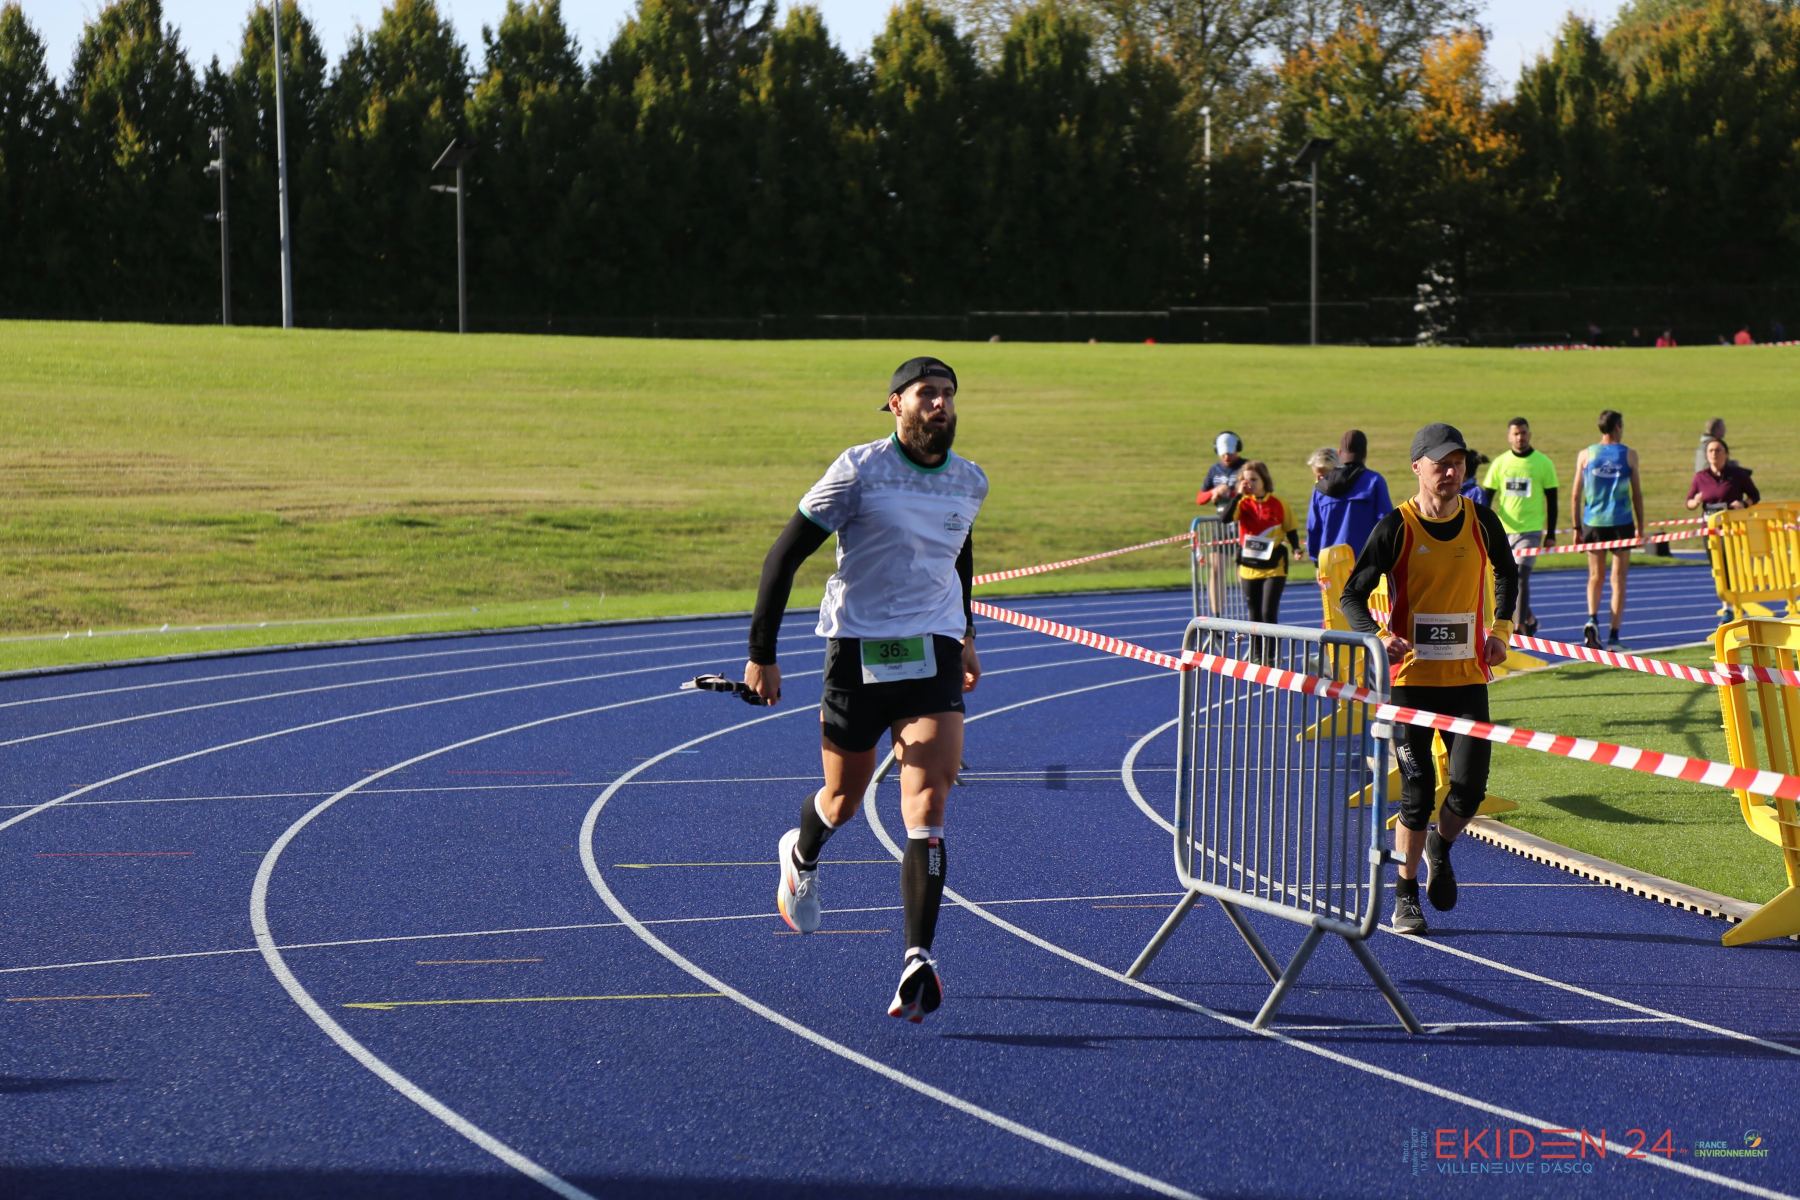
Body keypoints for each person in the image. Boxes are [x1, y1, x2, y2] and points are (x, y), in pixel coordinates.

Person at [742, 355, 987, 1023]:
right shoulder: (858, 469)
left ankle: (917, 960)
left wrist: (965, 633)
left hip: (932, 652)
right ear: (895, 404)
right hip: (857, 653)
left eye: (948, 394)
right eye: (926, 393)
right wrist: (761, 654)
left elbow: (959, 553)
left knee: (927, 803)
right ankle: (801, 852)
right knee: (844, 800)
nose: (940, 403)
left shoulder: (970, 480)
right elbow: (784, 555)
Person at [1341, 424, 1517, 935]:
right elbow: (1352, 595)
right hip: (1411, 684)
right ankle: (1405, 893)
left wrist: (1500, 630)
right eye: (1441, 463)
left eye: (1458, 463)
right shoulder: (1396, 527)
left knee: (1469, 790)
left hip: (1466, 681)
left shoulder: (1481, 521)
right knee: (1416, 795)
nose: (1451, 472)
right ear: (1417, 466)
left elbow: (1507, 572)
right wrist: (1378, 636)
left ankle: (1442, 843)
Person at [1570, 409, 1645, 652]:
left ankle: (1592, 618)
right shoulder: (1629, 455)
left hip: (1593, 522)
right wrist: (1641, 528)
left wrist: (1576, 527)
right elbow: (1636, 494)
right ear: (1618, 427)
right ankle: (1614, 637)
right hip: (1621, 522)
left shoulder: (1586, 454)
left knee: (1595, 576)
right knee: (1618, 579)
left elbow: (1575, 495)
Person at [1482, 417, 1560, 637]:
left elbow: (1552, 501)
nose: (1520, 437)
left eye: (1523, 433)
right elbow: (1487, 498)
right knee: (1504, 579)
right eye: (1516, 434)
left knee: (1521, 574)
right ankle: (1529, 618)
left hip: (1531, 530)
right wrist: (1484, 529)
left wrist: (1551, 533)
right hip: (1504, 531)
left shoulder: (1543, 463)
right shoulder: (1500, 463)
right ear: (1509, 436)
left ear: (1529, 434)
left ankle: (1520, 627)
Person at [1230, 459, 1302, 659]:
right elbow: (1226, 518)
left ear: (1264, 480)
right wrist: (1238, 495)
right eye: (1246, 480)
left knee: (1268, 612)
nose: (1250, 484)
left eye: (1254, 479)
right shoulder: (1242, 503)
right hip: (1249, 566)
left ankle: (1270, 656)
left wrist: (1296, 548)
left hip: (1274, 566)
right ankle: (1256, 655)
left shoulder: (1278, 503)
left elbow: (1291, 529)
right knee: (1254, 614)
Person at [1306, 429, 1393, 560]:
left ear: (1340, 453)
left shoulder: (1320, 488)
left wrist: (1316, 560)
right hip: (1364, 562)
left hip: (1330, 563)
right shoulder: (1374, 481)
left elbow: (1313, 528)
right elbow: (1385, 523)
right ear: (1365, 454)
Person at [1687, 437, 1759, 514]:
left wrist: (1744, 504)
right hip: (1709, 521)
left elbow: (1755, 496)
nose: (1714, 453)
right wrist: (1695, 502)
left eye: (1717, 450)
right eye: (1710, 451)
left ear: (1726, 454)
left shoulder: (1738, 474)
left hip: (1732, 520)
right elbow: (1688, 502)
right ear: (1706, 455)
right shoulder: (1700, 477)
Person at [1195, 431, 1246, 516]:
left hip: (1244, 517)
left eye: (1230, 453)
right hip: (1222, 518)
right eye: (1223, 454)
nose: (1226, 457)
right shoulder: (1214, 470)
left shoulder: (1247, 467)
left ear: (1237, 449)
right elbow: (1200, 499)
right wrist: (1215, 491)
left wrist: (1230, 493)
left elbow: (1257, 494)